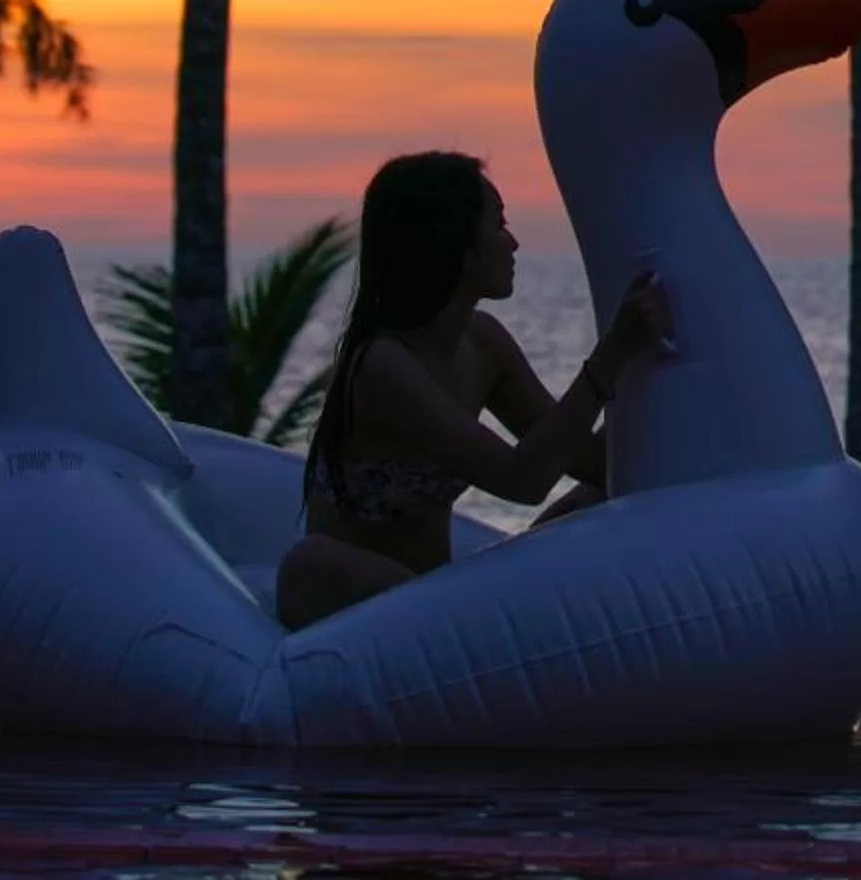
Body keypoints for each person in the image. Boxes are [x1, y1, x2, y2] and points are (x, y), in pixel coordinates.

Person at [274, 150, 672, 631]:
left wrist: (661, 384)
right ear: (459, 247)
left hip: (440, 596)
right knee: (310, 562)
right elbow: (521, 481)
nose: (514, 242)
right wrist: (612, 354)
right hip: (365, 607)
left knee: (593, 496)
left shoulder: (483, 345)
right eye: (499, 226)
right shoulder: (381, 366)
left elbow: (587, 461)